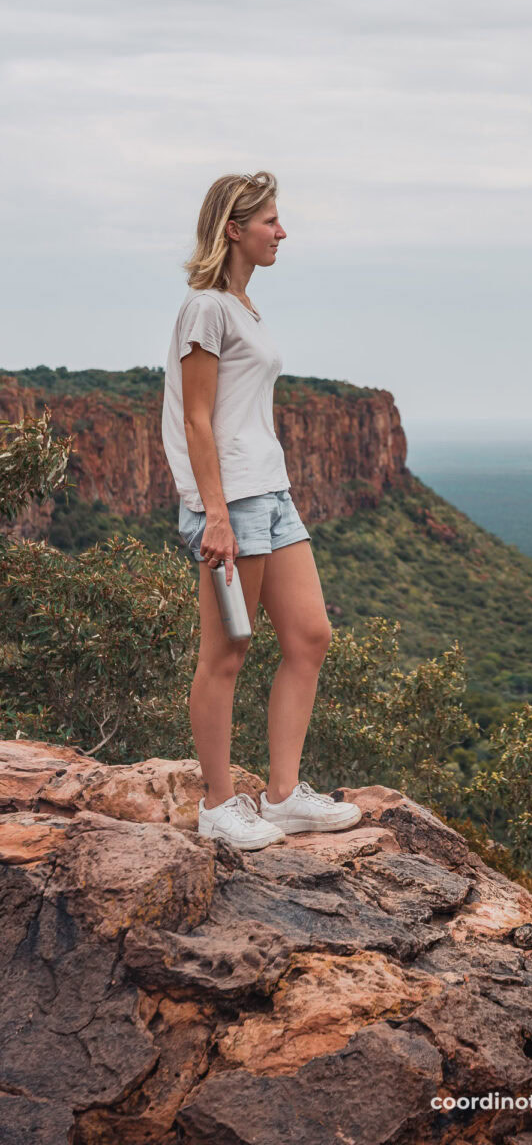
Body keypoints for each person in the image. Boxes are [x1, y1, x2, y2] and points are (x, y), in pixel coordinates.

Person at [161, 170, 361, 850]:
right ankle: (218, 806)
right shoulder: (206, 308)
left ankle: (281, 796)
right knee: (228, 651)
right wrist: (213, 512)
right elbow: (195, 419)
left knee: (309, 636)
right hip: (232, 502)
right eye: (270, 220)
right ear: (233, 229)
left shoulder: (244, 307)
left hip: (271, 496)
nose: (282, 232)